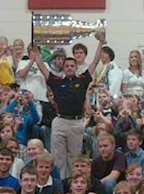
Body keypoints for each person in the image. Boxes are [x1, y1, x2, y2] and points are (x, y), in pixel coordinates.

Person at [34, 34, 103, 178]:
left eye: (72, 65)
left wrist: (100, 42)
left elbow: (95, 62)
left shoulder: (83, 79)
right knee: (59, 158)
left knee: (74, 158)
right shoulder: (56, 81)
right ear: (63, 68)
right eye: (67, 66)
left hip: (76, 123)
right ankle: (61, 186)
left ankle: (72, 185)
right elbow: (41, 66)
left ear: (76, 67)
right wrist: (35, 52)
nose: (70, 68)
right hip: (60, 122)